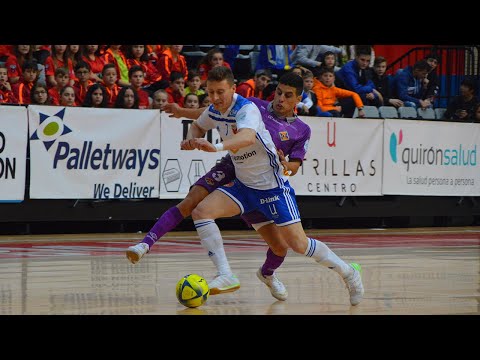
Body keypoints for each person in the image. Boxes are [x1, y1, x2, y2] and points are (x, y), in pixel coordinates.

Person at [127, 67, 364, 305]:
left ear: (298, 99)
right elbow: (214, 110)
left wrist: (285, 165)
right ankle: (224, 274)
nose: (281, 99)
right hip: (241, 179)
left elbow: (290, 162)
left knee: (294, 245)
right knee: (200, 209)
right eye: (279, 93)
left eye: (288, 95)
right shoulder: (255, 105)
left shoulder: (297, 128)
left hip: (271, 187)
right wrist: (182, 113)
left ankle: (346, 273)